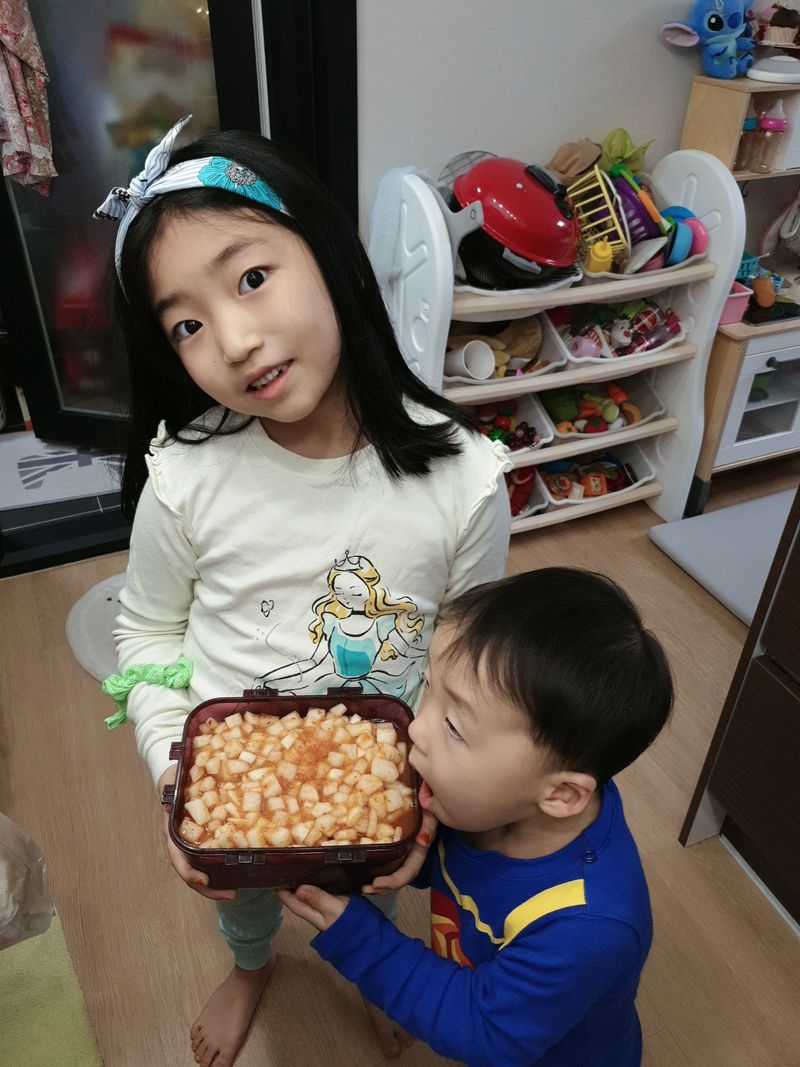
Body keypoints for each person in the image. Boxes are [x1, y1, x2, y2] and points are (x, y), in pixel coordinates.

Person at [97, 115, 511, 1067]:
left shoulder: (465, 483)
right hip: (230, 788)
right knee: (244, 903)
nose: (235, 340)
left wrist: (431, 798)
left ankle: (379, 971)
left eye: (251, 277)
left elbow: (465, 665)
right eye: (187, 325)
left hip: (377, 787)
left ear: (327, 253)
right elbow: (147, 633)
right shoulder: (187, 479)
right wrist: (177, 775)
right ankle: (251, 966)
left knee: (371, 899)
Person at [280, 567, 674, 1067]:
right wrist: (399, 845)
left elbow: (484, 1029)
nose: (417, 728)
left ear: (561, 794)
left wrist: (360, 938)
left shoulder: (589, 925)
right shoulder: (491, 798)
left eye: (453, 726)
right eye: (429, 685)